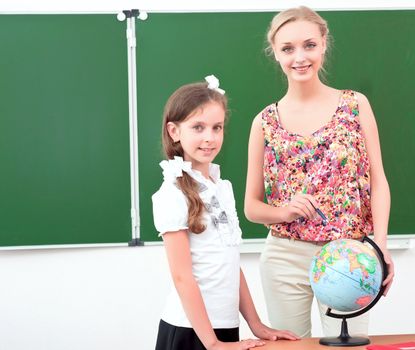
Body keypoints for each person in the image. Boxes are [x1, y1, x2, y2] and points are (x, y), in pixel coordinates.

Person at [244, 7, 395, 338]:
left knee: (349, 345)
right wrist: (285, 210)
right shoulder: (264, 122)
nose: (300, 57)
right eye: (288, 49)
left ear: (324, 44)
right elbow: (252, 207)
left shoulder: (355, 105)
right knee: (291, 346)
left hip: (349, 256)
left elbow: (379, 183)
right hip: (285, 256)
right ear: (276, 53)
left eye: (309, 45)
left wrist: (380, 247)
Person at [152, 76, 299, 350]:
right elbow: (182, 276)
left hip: (224, 329)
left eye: (217, 127)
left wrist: (256, 325)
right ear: (174, 131)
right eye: (198, 127)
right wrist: (213, 343)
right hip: (192, 333)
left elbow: (230, 262)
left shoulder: (221, 188)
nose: (209, 138)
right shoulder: (172, 193)